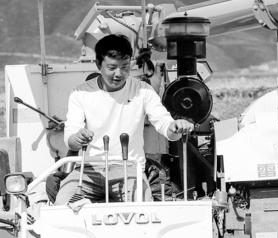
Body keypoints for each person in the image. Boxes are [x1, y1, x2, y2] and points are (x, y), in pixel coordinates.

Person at [55, 34, 194, 204]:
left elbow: (164, 124)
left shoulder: (143, 90)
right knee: (61, 208)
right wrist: (78, 138)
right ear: (98, 64)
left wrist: (175, 127)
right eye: (112, 67)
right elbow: (70, 139)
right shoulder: (80, 93)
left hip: (130, 169)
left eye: (125, 67)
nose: (119, 74)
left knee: (143, 212)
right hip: (88, 170)